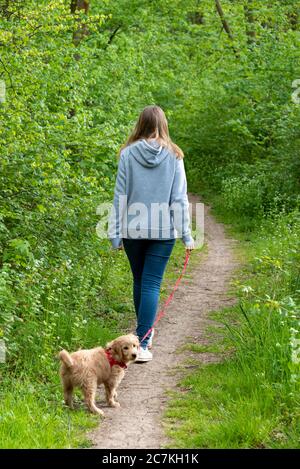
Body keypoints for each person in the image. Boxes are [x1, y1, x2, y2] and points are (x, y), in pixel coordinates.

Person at [108, 105, 194, 362]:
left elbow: (119, 196)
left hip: (133, 230)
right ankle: (142, 342)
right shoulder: (174, 155)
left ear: (141, 124)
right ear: (163, 125)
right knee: (151, 283)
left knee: (140, 281)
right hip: (162, 231)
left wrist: (115, 233)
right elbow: (179, 199)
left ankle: (141, 338)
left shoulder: (127, 154)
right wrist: (186, 235)